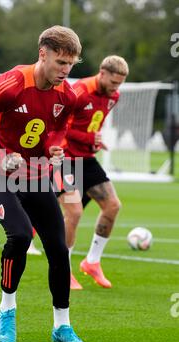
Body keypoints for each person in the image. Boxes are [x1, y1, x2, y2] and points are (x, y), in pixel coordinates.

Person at [0, 25, 88, 342]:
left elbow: (59, 129)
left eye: (71, 65)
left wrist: (55, 147)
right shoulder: (13, 84)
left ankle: (62, 326)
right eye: (60, 62)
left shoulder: (67, 94)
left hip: (34, 173)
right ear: (42, 54)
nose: (65, 71)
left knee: (59, 249)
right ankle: (7, 310)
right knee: (19, 235)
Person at [56, 55, 129, 289]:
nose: (116, 88)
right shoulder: (78, 91)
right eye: (114, 82)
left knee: (113, 205)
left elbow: (92, 124)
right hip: (64, 159)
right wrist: (90, 137)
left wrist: (95, 141)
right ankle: (62, 271)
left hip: (86, 159)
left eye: (120, 83)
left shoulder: (112, 97)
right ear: (102, 73)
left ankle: (92, 262)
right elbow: (59, 127)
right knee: (74, 213)